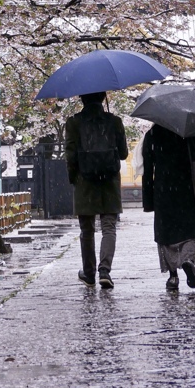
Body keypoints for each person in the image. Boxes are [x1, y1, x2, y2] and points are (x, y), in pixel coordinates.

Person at [65, 91, 128, 290]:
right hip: (109, 180)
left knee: (87, 230)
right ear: (103, 98)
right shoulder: (114, 121)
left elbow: (70, 155)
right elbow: (124, 154)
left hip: (84, 181)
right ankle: (105, 270)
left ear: (81, 98)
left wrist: (73, 178)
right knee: (109, 227)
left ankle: (89, 274)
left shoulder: (74, 123)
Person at [141, 124, 195, 291]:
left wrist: (148, 200)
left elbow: (148, 168)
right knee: (192, 229)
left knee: (166, 233)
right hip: (188, 186)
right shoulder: (188, 131)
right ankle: (188, 260)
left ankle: (173, 277)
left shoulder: (153, 134)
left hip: (164, 189)